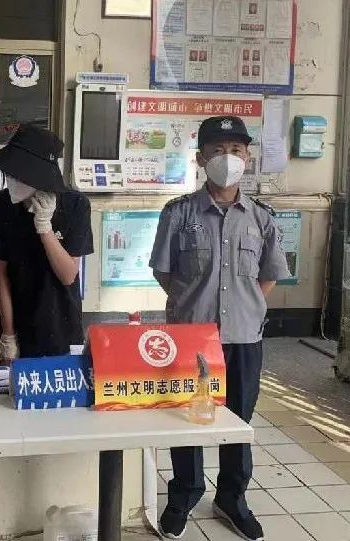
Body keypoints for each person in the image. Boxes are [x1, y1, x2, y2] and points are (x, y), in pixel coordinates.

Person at [150, 116, 290, 541]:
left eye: (236, 151)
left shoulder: (261, 217)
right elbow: (164, 272)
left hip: (244, 338)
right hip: (192, 338)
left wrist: (245, 307)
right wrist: (193, 306)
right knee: (185, 418)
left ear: (247, 157)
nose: (227, 158)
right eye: (217, 151)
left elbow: (269, 275)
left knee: (239, 421)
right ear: (200, 159)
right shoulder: (179, 213)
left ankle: (232, 498)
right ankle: (184, 495)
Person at [0, 124, 94, 360]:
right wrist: (8, 334)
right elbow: (2, 277)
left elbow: (68, 275)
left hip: (62, 323)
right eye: (9, 173)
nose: (11, 180)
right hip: (17, 319)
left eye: (17, 174)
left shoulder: (76, 206)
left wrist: (44, 227)